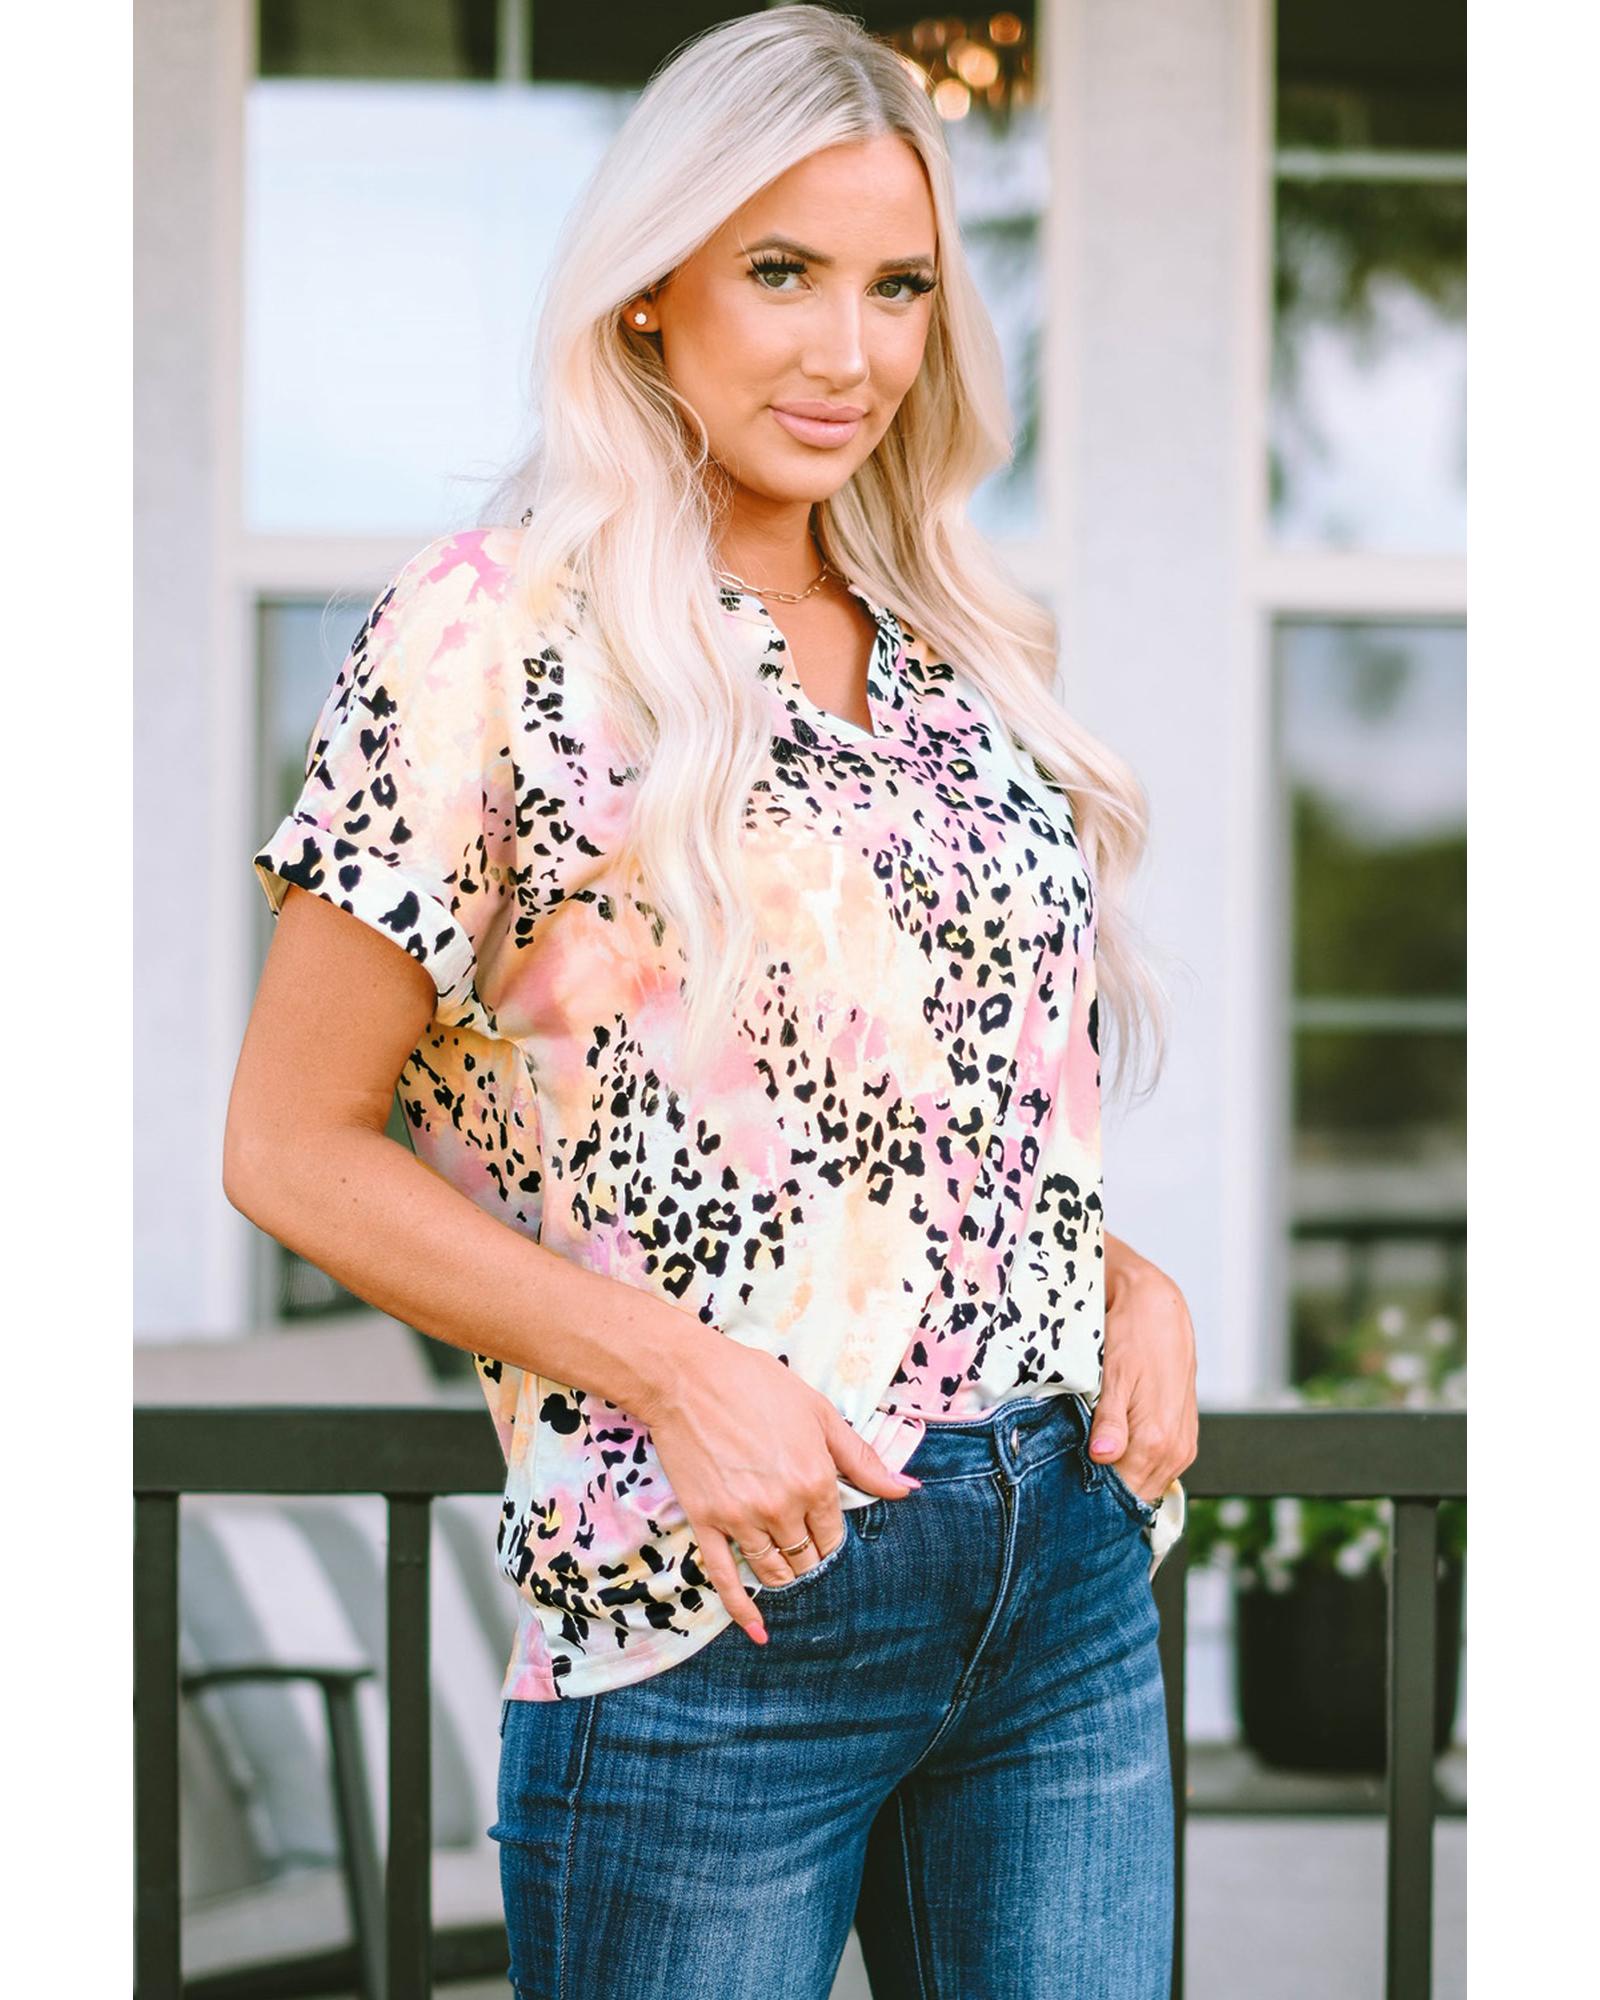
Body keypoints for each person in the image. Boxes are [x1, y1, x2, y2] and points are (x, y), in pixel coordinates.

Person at [224, 8, 1199, 1996]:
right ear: (651, 289)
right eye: (781, 272)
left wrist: (1116, 1278)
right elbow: (289, 1148)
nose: (849, 352)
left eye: (897, 287)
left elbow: (899, 1113)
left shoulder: (950, 645)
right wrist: (672, 1373)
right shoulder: (488, 631)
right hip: (712, 1600)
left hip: (1059, 1577)